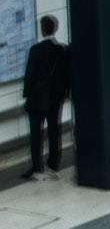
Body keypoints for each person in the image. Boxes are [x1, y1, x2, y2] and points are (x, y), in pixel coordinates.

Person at [21, 15, 70, 181]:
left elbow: (30, 75)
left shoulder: (36, 50)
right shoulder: (62, 50)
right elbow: (66, 75)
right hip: (55, 98)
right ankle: (53, 165)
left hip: (37, 99)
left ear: (42, 29)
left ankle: (37, 167)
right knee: (54, 131)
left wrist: (26, 94)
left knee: (36, 134)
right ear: (55, 29)